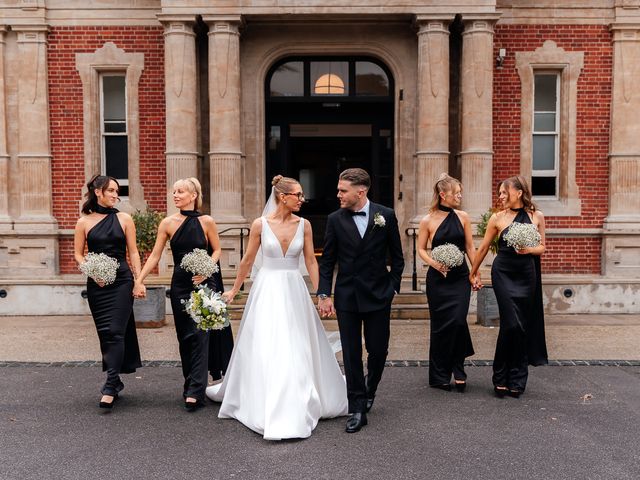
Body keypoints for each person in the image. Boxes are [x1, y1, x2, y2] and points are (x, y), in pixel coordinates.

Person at [206, 175, 347, 440]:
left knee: (297, 342)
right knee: (269, 342)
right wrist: (233, 290)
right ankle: (265, 399)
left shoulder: (304, 225)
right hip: (267, 289)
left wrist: (323, 294)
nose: (303, 200)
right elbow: (248, 261)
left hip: (294, 288)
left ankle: (299, 397)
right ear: (283, 197)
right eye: (298, 195)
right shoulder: (260, 224)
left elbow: (311, 262)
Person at [318, 168, 405, 433]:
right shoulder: (335, 219)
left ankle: (370, 389)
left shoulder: (385, 216)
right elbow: (328, 261)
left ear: (361, 191)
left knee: (378, 350)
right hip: (348, 296)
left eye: (343, 190)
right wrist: (324, 294)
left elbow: (398, 257)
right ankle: (356, 406)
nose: (338, 195)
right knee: (352, 353)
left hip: (379, 295)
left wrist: (393, 288)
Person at [134, 178, 231, 411]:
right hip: (180, 285)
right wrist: (139, 279)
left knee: (201, 334)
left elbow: (217, 249)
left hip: (204, 284)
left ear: (193, 195)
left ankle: (196, 391)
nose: (175, 195)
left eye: (180, 192)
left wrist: (207, 268)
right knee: (185, 336)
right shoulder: (167, 223)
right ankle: (190, 383)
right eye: (174, 192)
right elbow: (156, 255)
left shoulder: (207, 221)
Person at [469, 176, 548, 398]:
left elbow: (542, 247)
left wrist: (529, 250)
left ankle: (516, 378)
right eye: (500, 193)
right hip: (503, 273)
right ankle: (500, 374)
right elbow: (483, 247)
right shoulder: (497, 218)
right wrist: (473, 272)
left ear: (519, 193)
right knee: (511, 324)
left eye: (504, 192)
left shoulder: (537, 216)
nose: (501, 196)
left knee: (520, 326)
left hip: (527, 275)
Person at [74, 175, 142, 409]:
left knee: (115, 331)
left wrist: (138, 280)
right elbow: (78, 254)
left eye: (117, 190)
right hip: (97, 284)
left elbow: (132, 252)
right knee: (106, 333)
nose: (115, 194)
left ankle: (111, 384)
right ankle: (116, 377)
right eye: (111, 190)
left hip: (122, 280)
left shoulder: (125, 219)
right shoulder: (84, 221)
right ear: (98, 192)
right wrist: (92, 272)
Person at [417, 173, 476, 392]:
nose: (460, 196)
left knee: (458, 321)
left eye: (460, 192)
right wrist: (434, 263)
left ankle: (458, 368)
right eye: (456, 193)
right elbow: (421, 249)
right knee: (440, 327)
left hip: (460, 277)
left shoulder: (463, 217)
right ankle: (440, 374)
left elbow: (470, 247)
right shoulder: (427, 220)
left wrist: (475, 271)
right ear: (443, 195)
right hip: (438, 279)